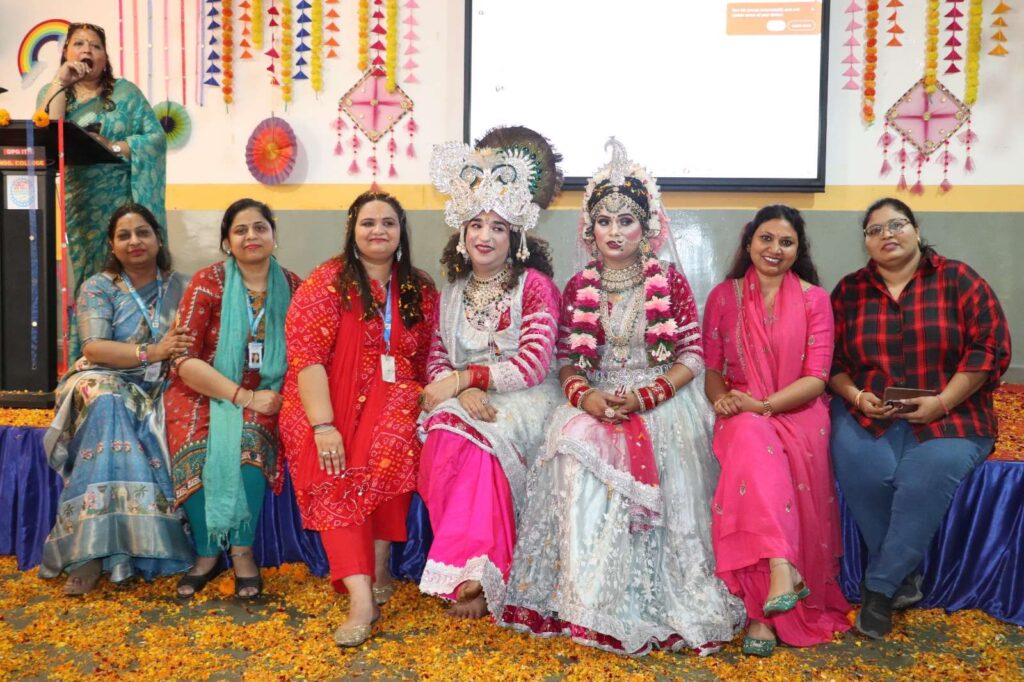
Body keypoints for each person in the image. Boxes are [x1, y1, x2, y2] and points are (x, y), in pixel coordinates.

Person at [500, 139, 744, 656]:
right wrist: (584, 397)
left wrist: (647, 396)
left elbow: (692, 354)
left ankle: (642, 597)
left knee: (659, 457)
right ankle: (585, 597)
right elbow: (565, 358)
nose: (614, 231)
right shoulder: (578, 286)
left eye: (626, 221)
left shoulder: (669, 282)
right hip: (595, 396)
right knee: (570, 447)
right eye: (605, 221)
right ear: (590, 230)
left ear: (647, 228)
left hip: (661, 400)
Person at [829, 197, 1011, 639]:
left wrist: (943, 401)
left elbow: (989, 348)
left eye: (897, 225)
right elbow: (829, 360)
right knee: (865, 471)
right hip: (870, 411)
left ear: (916, 229)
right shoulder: (849, 291)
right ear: (866, 242)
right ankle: (905, 576)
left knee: (921, 477)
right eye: (875, 230)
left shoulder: (959, 279)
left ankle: (880, 588)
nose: (887, 235)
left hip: (954, 412)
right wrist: (857, 396)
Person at [279, 191, 438, 647]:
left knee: (392, 445)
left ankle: (380, 562)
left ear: (402, 232)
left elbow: (426, 357)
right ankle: (360, 597)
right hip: (325, 398)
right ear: (352, 231)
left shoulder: (419, 288)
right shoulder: (327, 281)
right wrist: (323, 426)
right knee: (333, 467)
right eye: (368, 222)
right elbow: (307, 358)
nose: (378, 231)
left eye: (388, 222)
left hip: (395, 393)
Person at [417, 127, 564, 619]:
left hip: (527, 396)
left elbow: (533, 364)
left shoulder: (535, 287)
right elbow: (438, 357)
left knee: (482, 443)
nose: (485, 236)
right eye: (476, 224)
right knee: (445, 432)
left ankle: (483, 575)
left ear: (515, 237)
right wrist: (458, 390)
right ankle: (459, 567)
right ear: (462, 235)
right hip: (467, 397)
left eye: (498, 227)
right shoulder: (452, 291)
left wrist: (466, 381)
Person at [702, 205, 851, 656]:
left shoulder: (814, 299)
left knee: (755, 440)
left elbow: (816, 379)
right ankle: (781, 571)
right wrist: (723, 401)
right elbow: (713, 371)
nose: (775, 249)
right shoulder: (723, 297)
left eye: (786, 242)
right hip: (741, 411)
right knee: (750, 436)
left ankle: (762, 613)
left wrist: (763, 405)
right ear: (749, 240)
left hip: (798, 413)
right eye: (766, 238)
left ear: (797, 250)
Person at [40, 203, 193, 595]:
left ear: (158, 238)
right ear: (112, 245)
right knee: (109, 401)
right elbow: (94, 348)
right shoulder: (98, 287)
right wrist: (152, 352)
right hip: (104, 377)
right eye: (124, 235)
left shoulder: (184, 286)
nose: (134, 241)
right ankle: (89, 551)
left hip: (165, 382)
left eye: (143, 232)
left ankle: (140, 544)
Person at [165, 199, 302, 599]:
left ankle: (242, 552)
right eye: (240, 230)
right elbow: (183, 359)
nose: (251, 236)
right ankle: (208, 553)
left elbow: (306, 354)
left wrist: (265, 397)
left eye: (260, 227)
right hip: (202, 389)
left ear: (273, 236)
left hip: (269, 391)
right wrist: (241, 395)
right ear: (227, 241)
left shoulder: (295, 287)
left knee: (249, 444)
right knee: (196, 447)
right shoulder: (207, 283)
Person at [38, 22, 167, 357]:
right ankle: (88, 352)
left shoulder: (125, 93)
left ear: (105, 56)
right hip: (80, 199)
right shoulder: (55, 92)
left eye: (95, 45)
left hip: (121, 197)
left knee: (125, 267)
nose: (87, 50)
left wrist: (115, 146)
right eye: (79, 44)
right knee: (88, 274)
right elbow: (50, 131)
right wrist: (61, 82)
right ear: (66, 52)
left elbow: (155, 138)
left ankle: (134, 348)